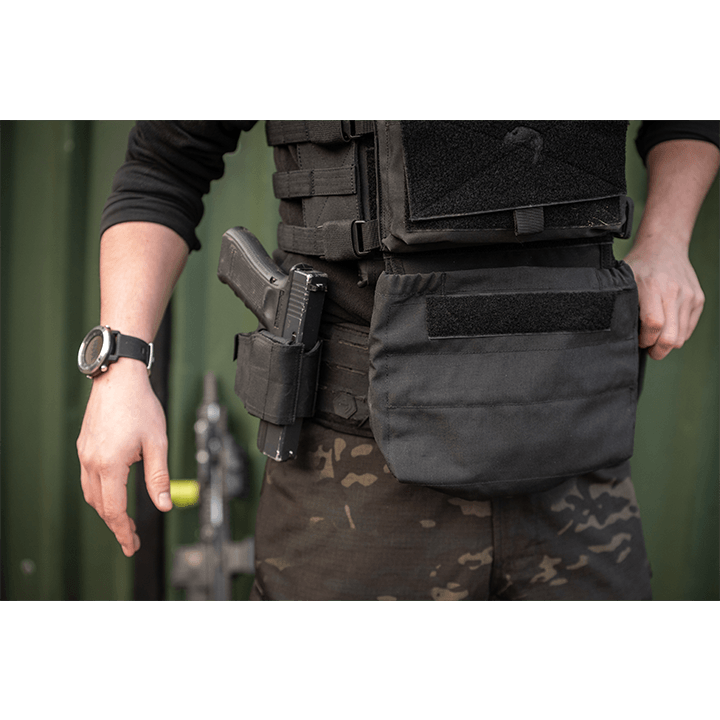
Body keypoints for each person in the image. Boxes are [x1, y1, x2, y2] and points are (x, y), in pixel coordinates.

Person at [76, 121, 719, 600]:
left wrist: (666, 238)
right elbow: (163, 167)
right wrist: (119, 362)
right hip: (354, 475)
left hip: (573, 460)